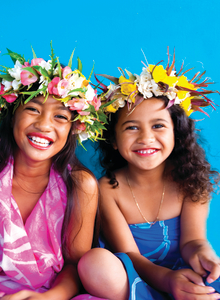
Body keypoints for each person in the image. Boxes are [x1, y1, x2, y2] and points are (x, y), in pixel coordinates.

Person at [0, 48, 108, 300]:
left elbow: (74, 266)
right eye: (33, 109)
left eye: (60, 116)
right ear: (11, 115)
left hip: (53, 295)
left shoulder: (81, 184)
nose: (44, 125)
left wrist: (48, 298)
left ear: (74, 128)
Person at [78, 52, 220, 299]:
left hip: (185, 277)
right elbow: (131, 256)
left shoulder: (192, 179)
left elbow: (193, 241)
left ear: (177, 133)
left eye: (158, 125)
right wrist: (167, 282)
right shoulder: (108, 188)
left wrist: (203, 254)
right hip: (136, 280)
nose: (145, 138)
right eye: (132, 127)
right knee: (95, 262)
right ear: (113, 139)